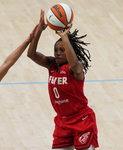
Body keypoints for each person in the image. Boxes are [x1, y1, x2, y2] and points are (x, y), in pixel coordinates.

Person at [27, 9, 99, 150]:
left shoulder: (75, 69)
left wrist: (65, 37)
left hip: (82, 120)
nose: (57, 53)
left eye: (62, 50)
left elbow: (74, 64)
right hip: (62, 122)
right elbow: (31, 54)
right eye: (56, 50)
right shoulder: (51, 65)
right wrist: (39, 31)